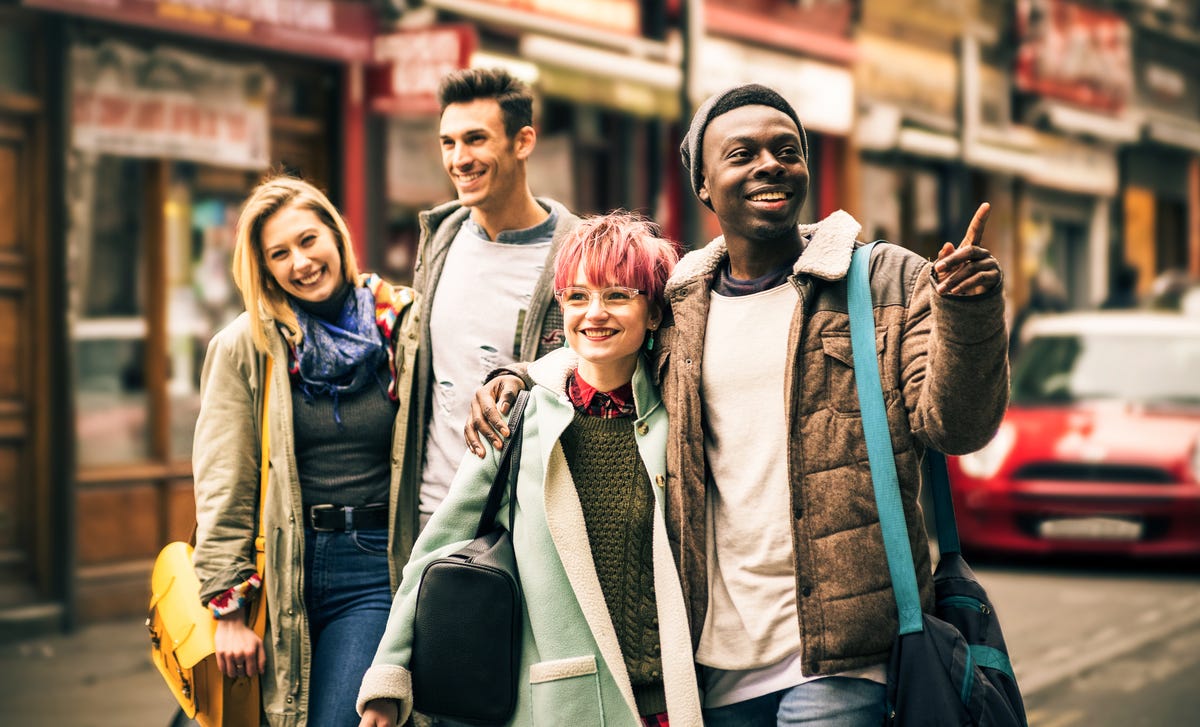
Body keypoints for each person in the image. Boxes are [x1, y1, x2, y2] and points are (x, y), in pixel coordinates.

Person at [467, 84, 1009, 725]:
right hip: (711, 663)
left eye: (787, 150)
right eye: (742, 153)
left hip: (842, 659)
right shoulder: (681, 300)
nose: (769, 165)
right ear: (704, 183)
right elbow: (603, 350)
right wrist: (520, 377)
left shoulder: (883, 279)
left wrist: (967, 312)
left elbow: (958, 427)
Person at [356, 213, 702, 727]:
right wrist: (388, 678)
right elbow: (436, 548)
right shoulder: (517, 417)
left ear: (653, 313)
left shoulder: (682, 413)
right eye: (578, 296)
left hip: (670, 702)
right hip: (565, 703)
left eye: (618, 295)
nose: (594, 313)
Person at [192, 176, 420, 726]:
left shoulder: (404, 326)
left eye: (308, 240)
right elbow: (224, 479)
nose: (301, 262)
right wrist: (227, 609)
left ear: (336, 237)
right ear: (264, 267)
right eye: (279, 253)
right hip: (279, 566)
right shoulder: (246, 345)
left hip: (372, 565)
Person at [408, 67, 581, 544]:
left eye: (476, 140)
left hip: (523, 520)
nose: (459, 159)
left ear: (523, 141)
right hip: (432, 514)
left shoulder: (576, 253)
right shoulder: (438, 240)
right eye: (448, 142)